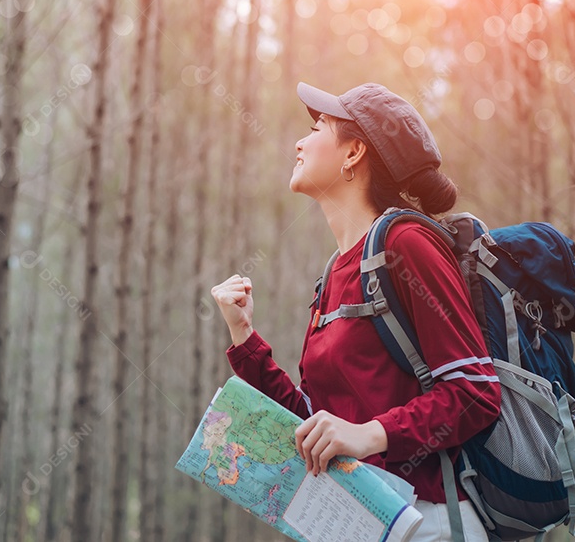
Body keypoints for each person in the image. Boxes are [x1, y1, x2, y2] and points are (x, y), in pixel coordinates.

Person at [211, 82, 501, 541]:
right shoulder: (333, 273)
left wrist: (370, 434)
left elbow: (476, 391)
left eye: (317, 127)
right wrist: (244, 336)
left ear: (353, 153)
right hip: (360, 525)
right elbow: (314, 422)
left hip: (429, 522)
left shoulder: (406, 244)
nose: (299, 142)